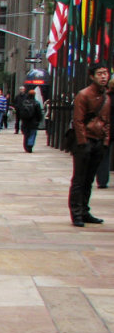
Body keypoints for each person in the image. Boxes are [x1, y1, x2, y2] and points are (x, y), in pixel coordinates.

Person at [68, 64, 110, 227]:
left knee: (89, 179)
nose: (103, 77)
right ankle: (76, 213)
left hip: (99, 141)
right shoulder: (84, 95)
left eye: (105, 73)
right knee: (79, 179)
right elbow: (78, 121)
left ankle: (85, 210)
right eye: (100, 74)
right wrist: (82, 142)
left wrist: (105, 141)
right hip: (85, 142)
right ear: (92, 76)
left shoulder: (106, 96)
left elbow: (107, 121)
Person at [18, 89, 43, 153]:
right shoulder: (36, 103)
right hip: (34, 121)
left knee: (26, 134)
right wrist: (39, 120)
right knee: (32, 133)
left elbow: (20, 111)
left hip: (25, 121)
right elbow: (39, 113)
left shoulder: (24, 102)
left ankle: (26, 145)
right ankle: (30, 144)